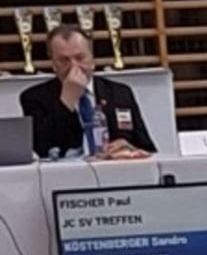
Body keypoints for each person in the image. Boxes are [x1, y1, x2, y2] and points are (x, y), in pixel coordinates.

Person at [21, 21, 153, 161]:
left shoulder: (120, 93)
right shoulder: (34, 98)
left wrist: (130, 148)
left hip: (114, 169)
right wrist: (67, 100)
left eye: (80, 58)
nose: (74, 66)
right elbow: (42, 148)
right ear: (53, 64)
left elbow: (148, 148)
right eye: (64, 60)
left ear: (92, 59)